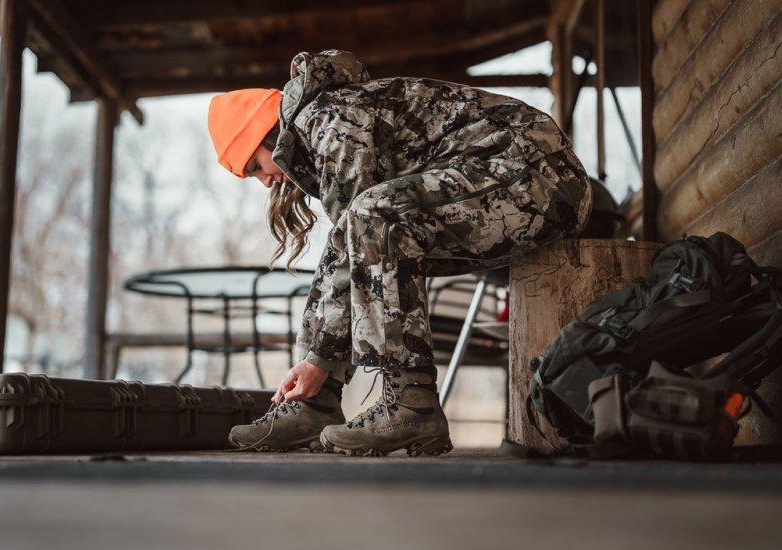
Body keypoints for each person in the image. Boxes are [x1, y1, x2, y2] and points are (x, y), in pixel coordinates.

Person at [207, 50, 592, 457]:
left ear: (265, 133)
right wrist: (314, 359)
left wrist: (318, 357)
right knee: (355, 236)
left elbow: (361, 226)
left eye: (254, 167)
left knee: (374, 218)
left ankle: (412, 406)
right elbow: (346, 249)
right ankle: (314, 405)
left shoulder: (328, 117)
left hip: (539, 176)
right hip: (504, 181)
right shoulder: (320, 124)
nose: (265, 183)